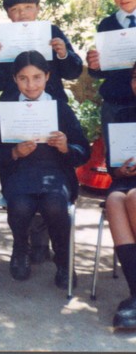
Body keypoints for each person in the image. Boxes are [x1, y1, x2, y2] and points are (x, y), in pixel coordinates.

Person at [0, 0, 84, 263]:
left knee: (48, 169)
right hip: (16, 110)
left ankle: (46, 246)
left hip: (50, 108)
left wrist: (63, 54)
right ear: (8, 15)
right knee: (26, 173)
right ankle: (28, 245)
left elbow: (74, 69)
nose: (22, 14)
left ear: (38, 9)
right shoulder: (2, 40)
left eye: (27, 7)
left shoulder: (52, 32)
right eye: (15, 10)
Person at [0, 50, 90, 289]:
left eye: (37, 77)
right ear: (14, 79)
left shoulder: (59, 107)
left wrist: (65, 147)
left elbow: (83, 152)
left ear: (47, 77)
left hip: (56, 174)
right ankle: (20, 249)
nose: (30, 85)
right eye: (23, 78)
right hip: (19, 174)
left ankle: (63, 260)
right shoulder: (6, 110)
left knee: (54, 203)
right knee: (20, 204)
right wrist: (14, 153)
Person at [87, 0, 136, 155]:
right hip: (116, 104)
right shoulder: (106, 25)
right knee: (119, 159)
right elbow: (102, 71)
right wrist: (95, 65)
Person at [103, 61, 136, 330]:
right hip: (128, 180)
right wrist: (121, 170)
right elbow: (112, 166)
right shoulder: (124, 114)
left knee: (134, 198)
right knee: (114, 200)